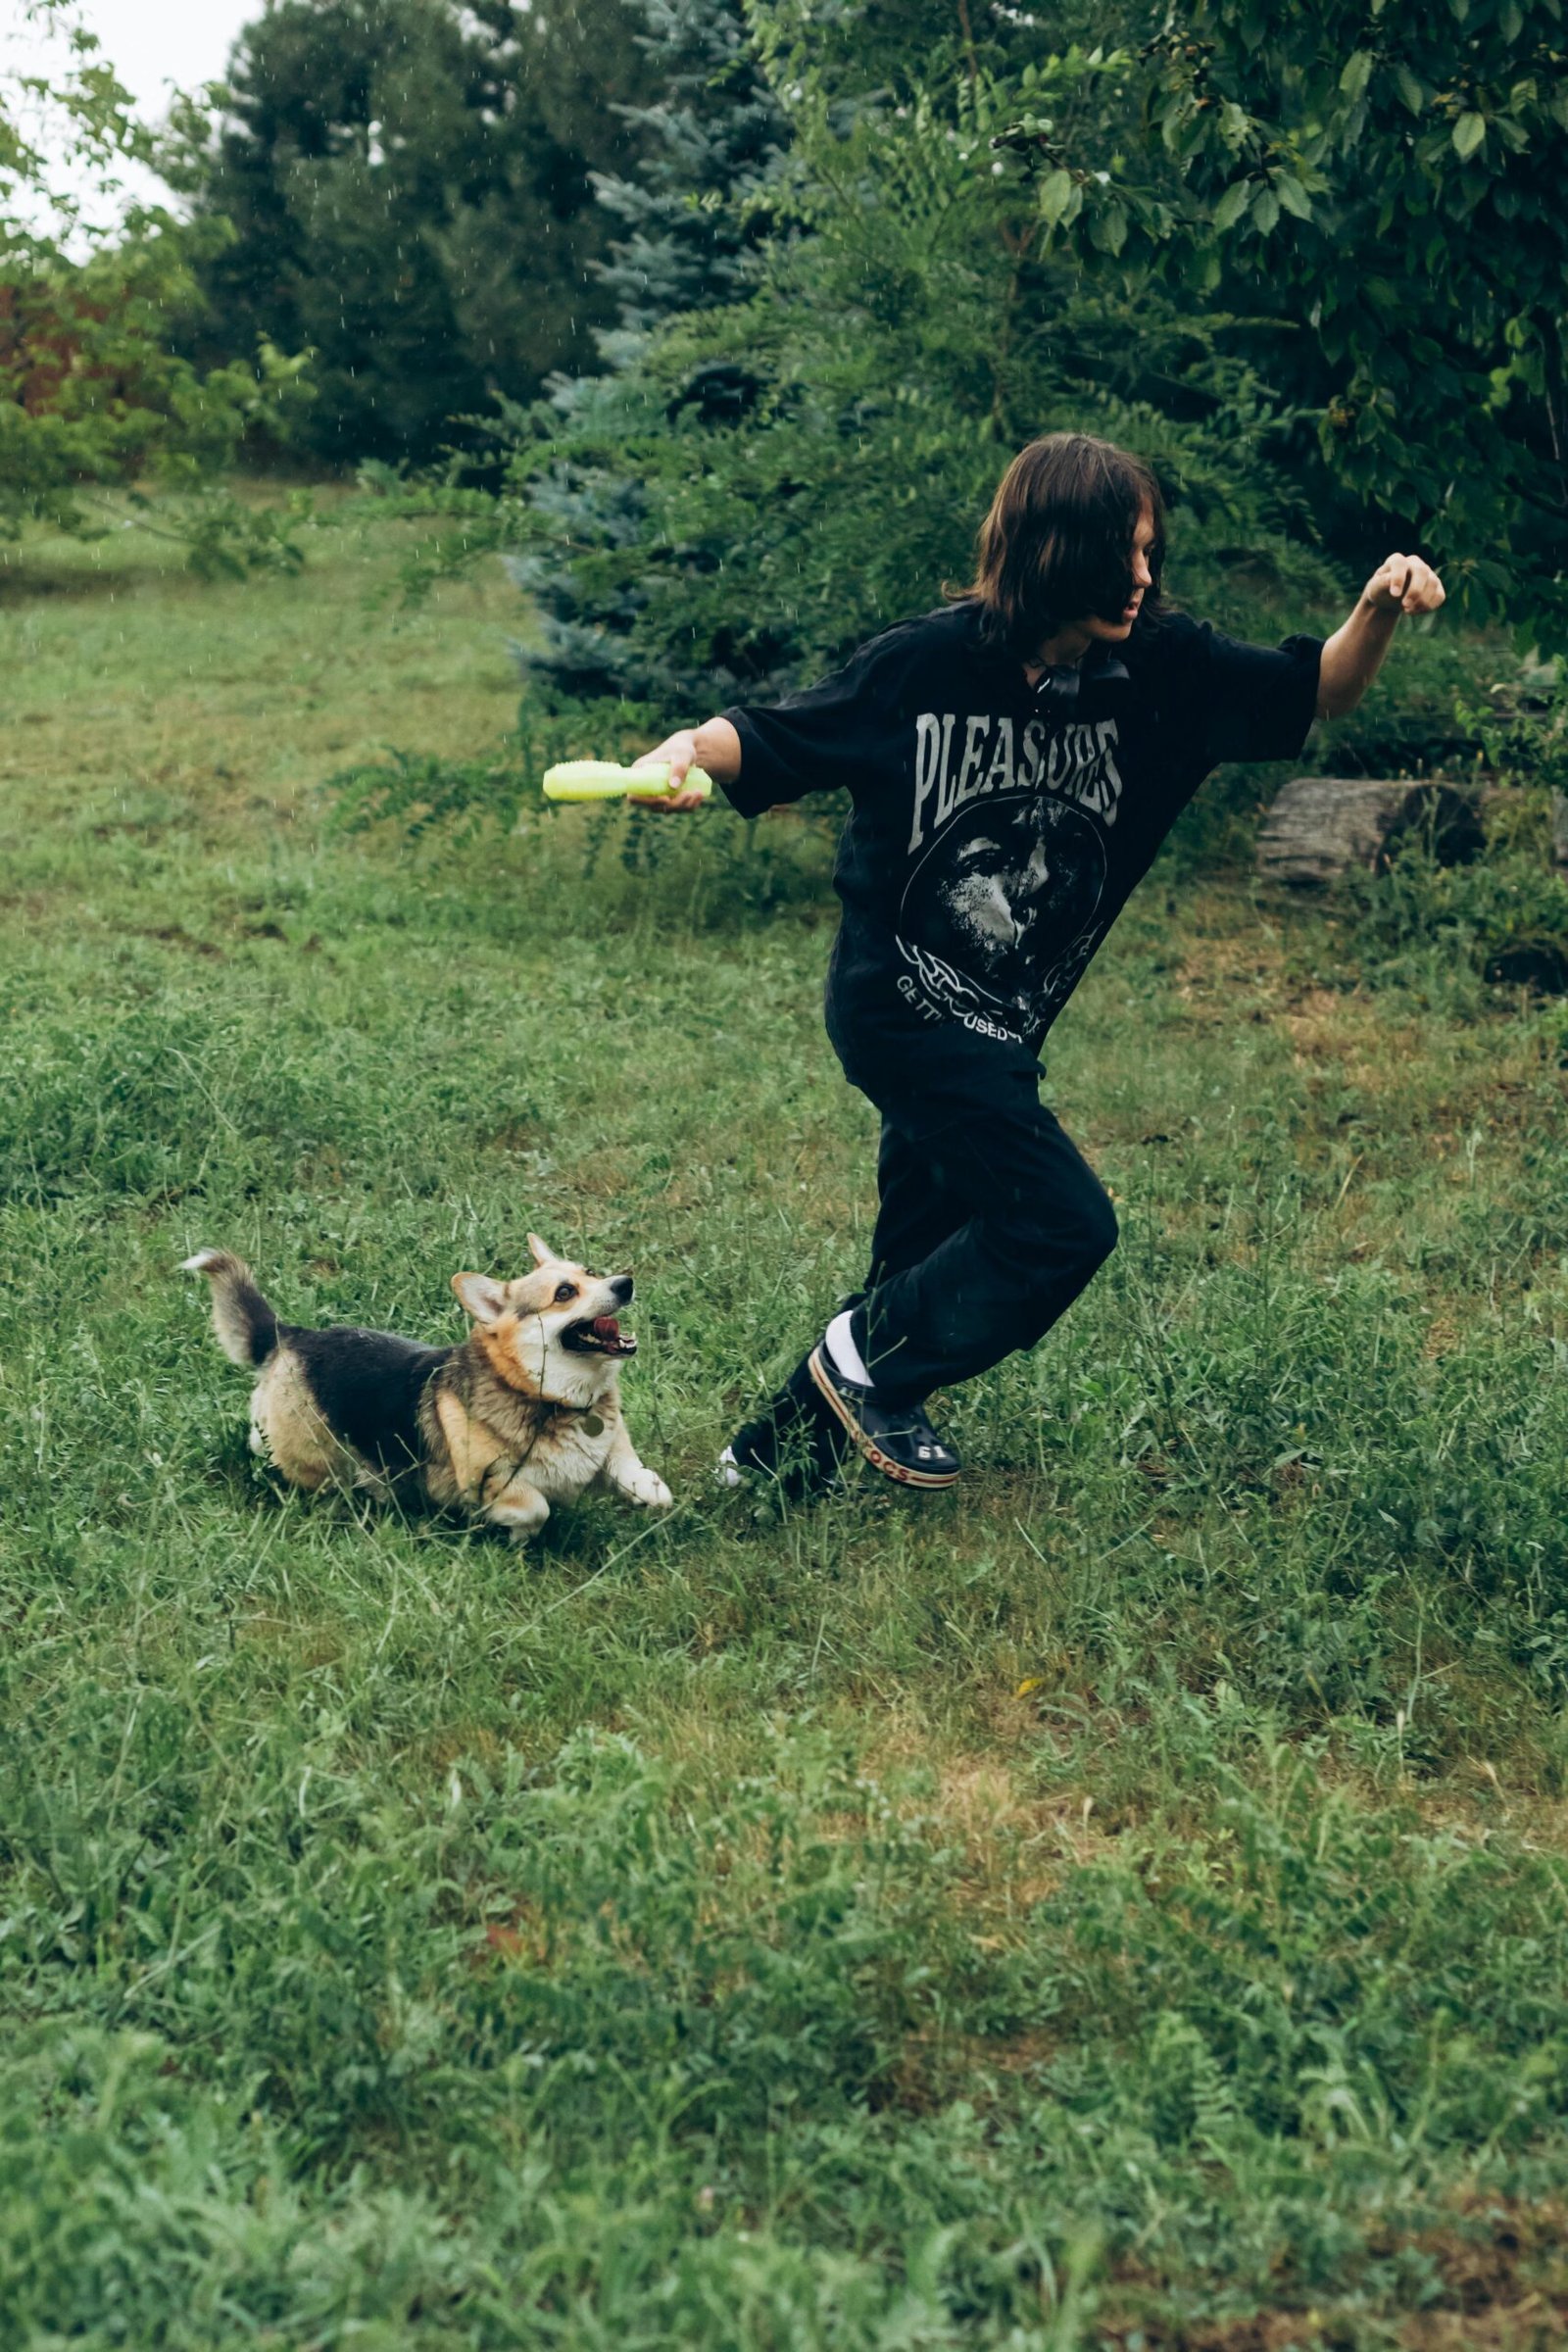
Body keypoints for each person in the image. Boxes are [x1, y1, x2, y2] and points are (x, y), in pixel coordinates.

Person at [636, 431, 1445, 1494]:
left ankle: (770, 1461)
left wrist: (1376, 607)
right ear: (1047, 551)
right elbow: (774, 732)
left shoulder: (1165, 669)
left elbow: (1321, 692)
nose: (1142, 578)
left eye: (1150, 553)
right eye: (1120, 555)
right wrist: (679, 755)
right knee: (1058, 1224)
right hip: (902, 1007)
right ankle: (858, 1366)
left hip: (1006, 1023)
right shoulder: (925, 663)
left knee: (918, 1259)